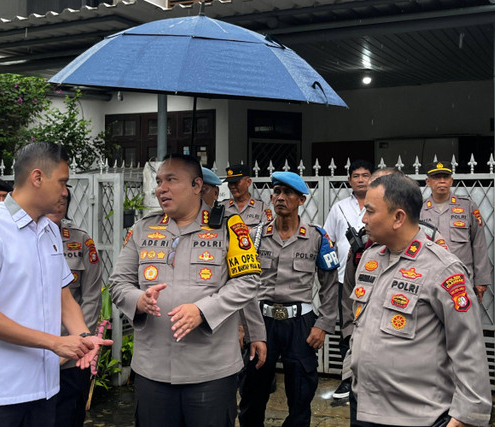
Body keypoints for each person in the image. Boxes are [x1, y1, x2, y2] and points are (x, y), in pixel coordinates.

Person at [0, 142, 112, 427]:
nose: (65, 192)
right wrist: (54, 342)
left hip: (44, 390)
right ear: (37, 177)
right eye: (62, 182)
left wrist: (83, 337)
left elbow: (64, 298)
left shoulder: (50, 231)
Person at [109, 154, 262, 427]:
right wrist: (139, 301)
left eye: (171, 180)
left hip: (210, 371)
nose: (161, 188)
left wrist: (203, 311)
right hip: (152, 371)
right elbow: (118, 282)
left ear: (196, 186)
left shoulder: (229, 226)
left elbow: (248, 281)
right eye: (158, 181)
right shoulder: (143, 229)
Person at [350, 173, 492, 426]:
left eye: (370, 211)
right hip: (364, 406)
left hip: (417, 416)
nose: (364, 219)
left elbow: (468, 347)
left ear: (398, 218)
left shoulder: (443, 269)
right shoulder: (370, 259)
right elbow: (361, 324)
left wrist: (465, 417)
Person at [239, 171, 340, 427]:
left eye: (288, 193)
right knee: (252, 391)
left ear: (302, 200)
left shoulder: (317, 238)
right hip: (261, 322)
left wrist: (323, 325)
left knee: (301, 394)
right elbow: (242, 284)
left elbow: (329, 287)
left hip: (300, 324)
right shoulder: (255, 236)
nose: (280, 197)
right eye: (277, 192)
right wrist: (242, 324)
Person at [48, 191, 103, 427]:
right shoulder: (18, 238)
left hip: (72, 355)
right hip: (34, 352)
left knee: (68, 417)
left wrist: (79, 342)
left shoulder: (80, 241)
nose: (59, 204)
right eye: (55, 198)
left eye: (65, 200)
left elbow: (91, 296)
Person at [323, 159, 373, 399]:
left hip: (375, 278)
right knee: (348, 329)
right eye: (356, 176)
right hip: (345, 278)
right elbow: (327, 239)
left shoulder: (379, 204)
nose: (361, 179)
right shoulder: (339, 207)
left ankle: (370, 381)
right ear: (349, 180)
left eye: (365, 175)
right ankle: (347, 380)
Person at [421, 161, 490, 303]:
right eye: (436, 177)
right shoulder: (419, 210)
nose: (441, 181)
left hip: (461, 278)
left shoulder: (467, 206)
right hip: (428, 278)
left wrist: (481, 280)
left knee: (464, 320)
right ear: (428, 181)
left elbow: (479, 243)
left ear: (451, 181)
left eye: (445, 177)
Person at [220, 164, 272, 228]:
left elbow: (267, 232)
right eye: (230, 183)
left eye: (236, 182)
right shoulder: (222, 207)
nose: (232, 186)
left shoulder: (262, 208)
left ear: (248, 182)